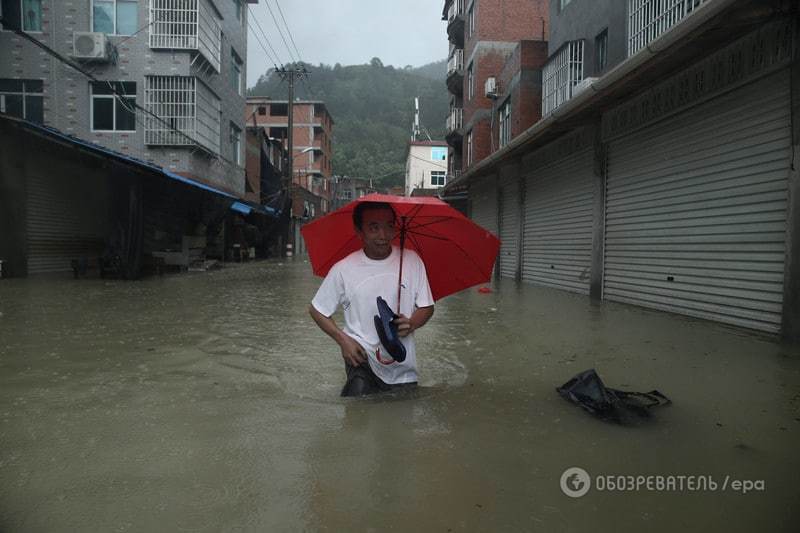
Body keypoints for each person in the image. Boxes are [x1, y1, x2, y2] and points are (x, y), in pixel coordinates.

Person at [309, 202, 435, 396]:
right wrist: (343, 341)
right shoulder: (343, 269)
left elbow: (427, 306)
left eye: (388, 226)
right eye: (374, 228)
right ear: (359, 232)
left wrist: (411, 323)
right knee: (356, 403)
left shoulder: (412, 261)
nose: (383, 236)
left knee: (401, 421)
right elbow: (317, 310)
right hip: (361, 359)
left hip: (402, 365)